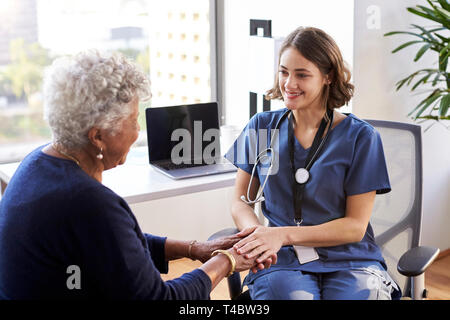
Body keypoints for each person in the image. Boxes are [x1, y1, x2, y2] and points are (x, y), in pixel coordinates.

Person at [0, 50, 260, 300]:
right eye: (134, 121)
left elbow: (115, 244)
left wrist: (193, 249)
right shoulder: (88, 202)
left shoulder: (35, 164)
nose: (137, 133)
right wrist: (225, 261)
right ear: (98, 136)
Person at [225, 27, 401, 300]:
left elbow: (355, 226)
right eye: (284, 72)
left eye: (302, 75)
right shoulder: (261, 127)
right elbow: (240, 200)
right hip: (281, 259)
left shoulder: (361, 137)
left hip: (350, 259)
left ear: (328, 77)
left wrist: (283, 235)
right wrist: (258, 235)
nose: (289, 84)